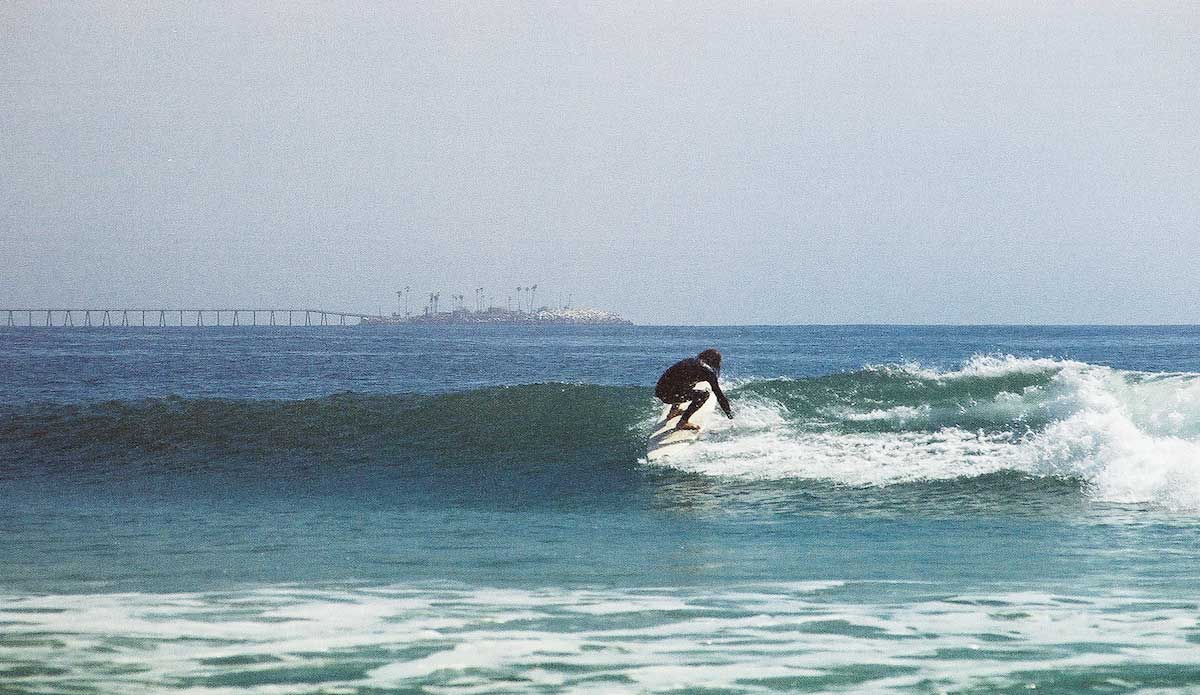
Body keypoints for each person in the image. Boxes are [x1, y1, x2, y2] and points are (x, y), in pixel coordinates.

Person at [655, 348, 733, 430]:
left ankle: (673, 411)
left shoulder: (690, 361)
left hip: (660, 392)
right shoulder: (708, 372)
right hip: (669, 396)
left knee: (687, 383)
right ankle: (683, 422)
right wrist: (730, 416)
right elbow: (720, 396)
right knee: (704, 395)